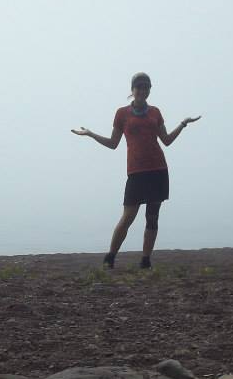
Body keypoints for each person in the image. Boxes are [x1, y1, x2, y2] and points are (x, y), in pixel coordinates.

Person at [72, 72, 201, 269]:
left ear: (150, 89)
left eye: (146, 87)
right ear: (132, 90)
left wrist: (183, 124)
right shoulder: (122, 114)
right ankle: (111, 256)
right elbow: (113, 143)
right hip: (136, 172)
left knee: (152, 217)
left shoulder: (155, 112)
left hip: (158, 169)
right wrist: (91, 134)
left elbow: (166, 141)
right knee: (128, 216)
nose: (142, 91)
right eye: (138, 87)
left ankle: (146, 260)